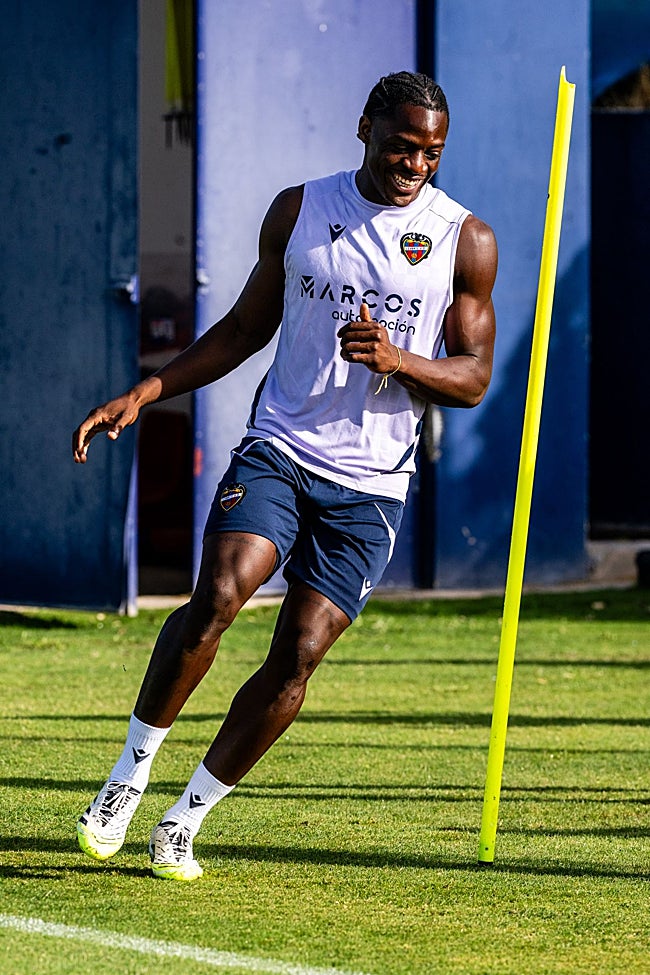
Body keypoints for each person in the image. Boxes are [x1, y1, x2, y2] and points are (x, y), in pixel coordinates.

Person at [72, 71, 497, 881]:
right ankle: (126, 778)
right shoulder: (301, 207)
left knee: (299, 652)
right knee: (221, 596)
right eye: (403, 145)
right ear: (364, 126)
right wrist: (146, 390)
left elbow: (474, 377)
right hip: (283, 447)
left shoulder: (464, 239)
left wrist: (399, 358)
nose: (416, 165)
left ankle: (183, 818)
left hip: (373, 484)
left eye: (432, 153)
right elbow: (242, 327)